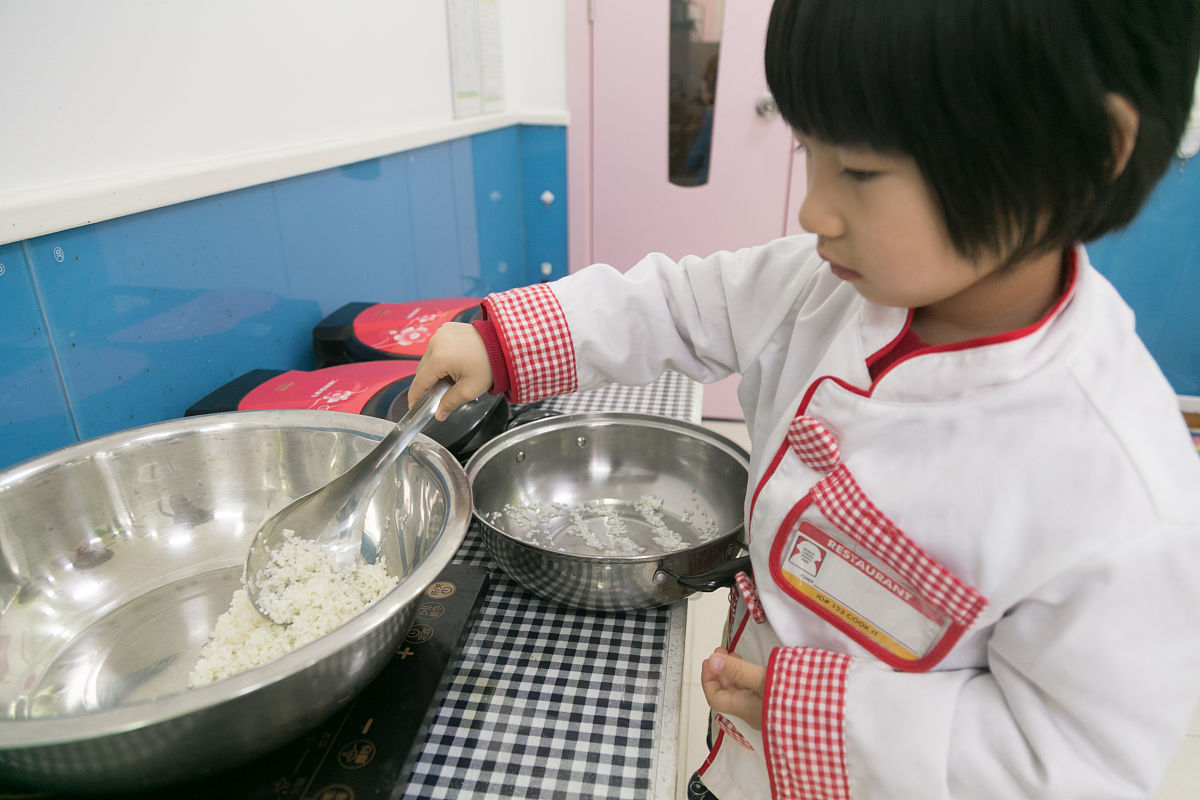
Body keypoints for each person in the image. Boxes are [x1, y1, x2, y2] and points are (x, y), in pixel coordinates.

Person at [409, 0, 1200, 797]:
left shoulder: (1123, 494)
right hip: (740, 753)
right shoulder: (825, 287)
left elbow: (1073, 764)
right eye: (806, 149)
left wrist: (822, 715)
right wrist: (507, 340)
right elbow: (685, 304)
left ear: (1075, 155)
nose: (813, 210)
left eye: (860, 171)